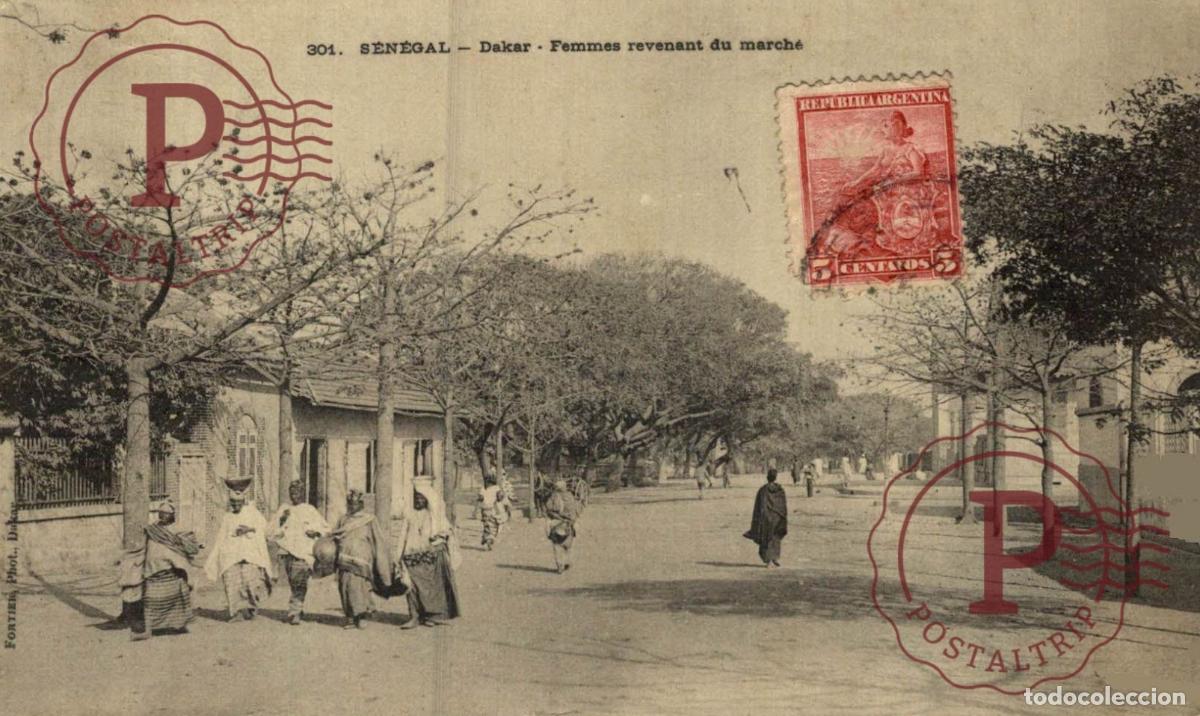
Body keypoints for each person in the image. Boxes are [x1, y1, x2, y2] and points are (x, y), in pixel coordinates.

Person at [119, 500, 200, 641]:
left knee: (178, 599)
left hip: (172, 571)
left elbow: (191, 547)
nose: (162, 516)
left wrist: (176, 542)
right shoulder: (152, 529)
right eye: (160, 513)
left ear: (172, 515)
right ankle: (148, 630)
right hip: (152, 571)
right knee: (150, 600)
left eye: (166, 514)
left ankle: (179, 625)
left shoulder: (179, 528)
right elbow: (142, 546)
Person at [396, 481, 462, 628]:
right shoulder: (409, 515)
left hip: (429, 557)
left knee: (430, 588)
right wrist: (398, 554)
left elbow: (447, 532)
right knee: (410, 586)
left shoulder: (435, 517)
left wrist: (438, 538)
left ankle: (429, 616)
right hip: (411, 555)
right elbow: (403, 535)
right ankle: (414, 617)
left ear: (427, 499)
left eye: (421, 498)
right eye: (416, 497)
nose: (418, 501)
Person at [205, 491, 274, 621]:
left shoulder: (252, 513)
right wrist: (218, 554)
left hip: (250, 554)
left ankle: (251, 607)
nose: (236, 505)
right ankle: (235, 613)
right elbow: (221, 537)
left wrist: (249, 529)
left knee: (251, 583)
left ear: (243, 502)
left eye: (238, 502)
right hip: (231, 555)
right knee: (231, 584)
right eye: (233, 502)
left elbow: (265, 529)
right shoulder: (227, 517)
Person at [269, 481, 329, 625]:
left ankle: (294, 612)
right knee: (293, 583)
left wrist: (315, 531)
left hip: (303, 553)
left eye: (297, 492)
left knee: (299, 582)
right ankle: (298, 607)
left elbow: (325, 528)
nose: (294, 495)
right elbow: (271, 530)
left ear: (303, 493)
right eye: (292, 492)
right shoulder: (284, 509)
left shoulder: (310, 510)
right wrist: (281, 521)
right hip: (286, 552)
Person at [331, 489, 392, 629]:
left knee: (358, 587)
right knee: (344, 586)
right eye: (350, 504)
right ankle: (351, 617)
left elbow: (378, 540)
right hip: (344, 559)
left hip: (362, 559)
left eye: (355, 504)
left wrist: (382, 561)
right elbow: (335, 534)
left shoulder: (369, 519)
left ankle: (361, 616)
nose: (352, 506)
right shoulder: (343, 519)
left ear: (361, 504)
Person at [744, 469, 788, 568]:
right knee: (775, 538)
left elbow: (759, 506)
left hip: (766, 517)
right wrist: (783, 517)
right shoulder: (780, 490)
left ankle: (769, 560)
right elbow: (783, 505)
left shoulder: (763, 490)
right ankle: (774, 558)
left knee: (766, 538)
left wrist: (758, 520)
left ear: (767, 477)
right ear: (776, 477)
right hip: (777, 517)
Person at [544, 479, 581, 573]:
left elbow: (548, 508)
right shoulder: (570, 496)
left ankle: (560, 565)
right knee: (568, 545)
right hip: (570, 523)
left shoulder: (554, 496)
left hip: (557, 522)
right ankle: (568, 561)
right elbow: (576, 511)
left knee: (556, 544)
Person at [477, 475, 504, 550]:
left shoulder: (483, 488)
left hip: (484, 509)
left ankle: (486, 538)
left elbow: (480, 498)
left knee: (487, 524)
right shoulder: (496, 488)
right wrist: (498, 499)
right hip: (493, 509)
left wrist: (481, 499)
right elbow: (500, 496)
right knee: (494, 525)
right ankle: (489, 540)